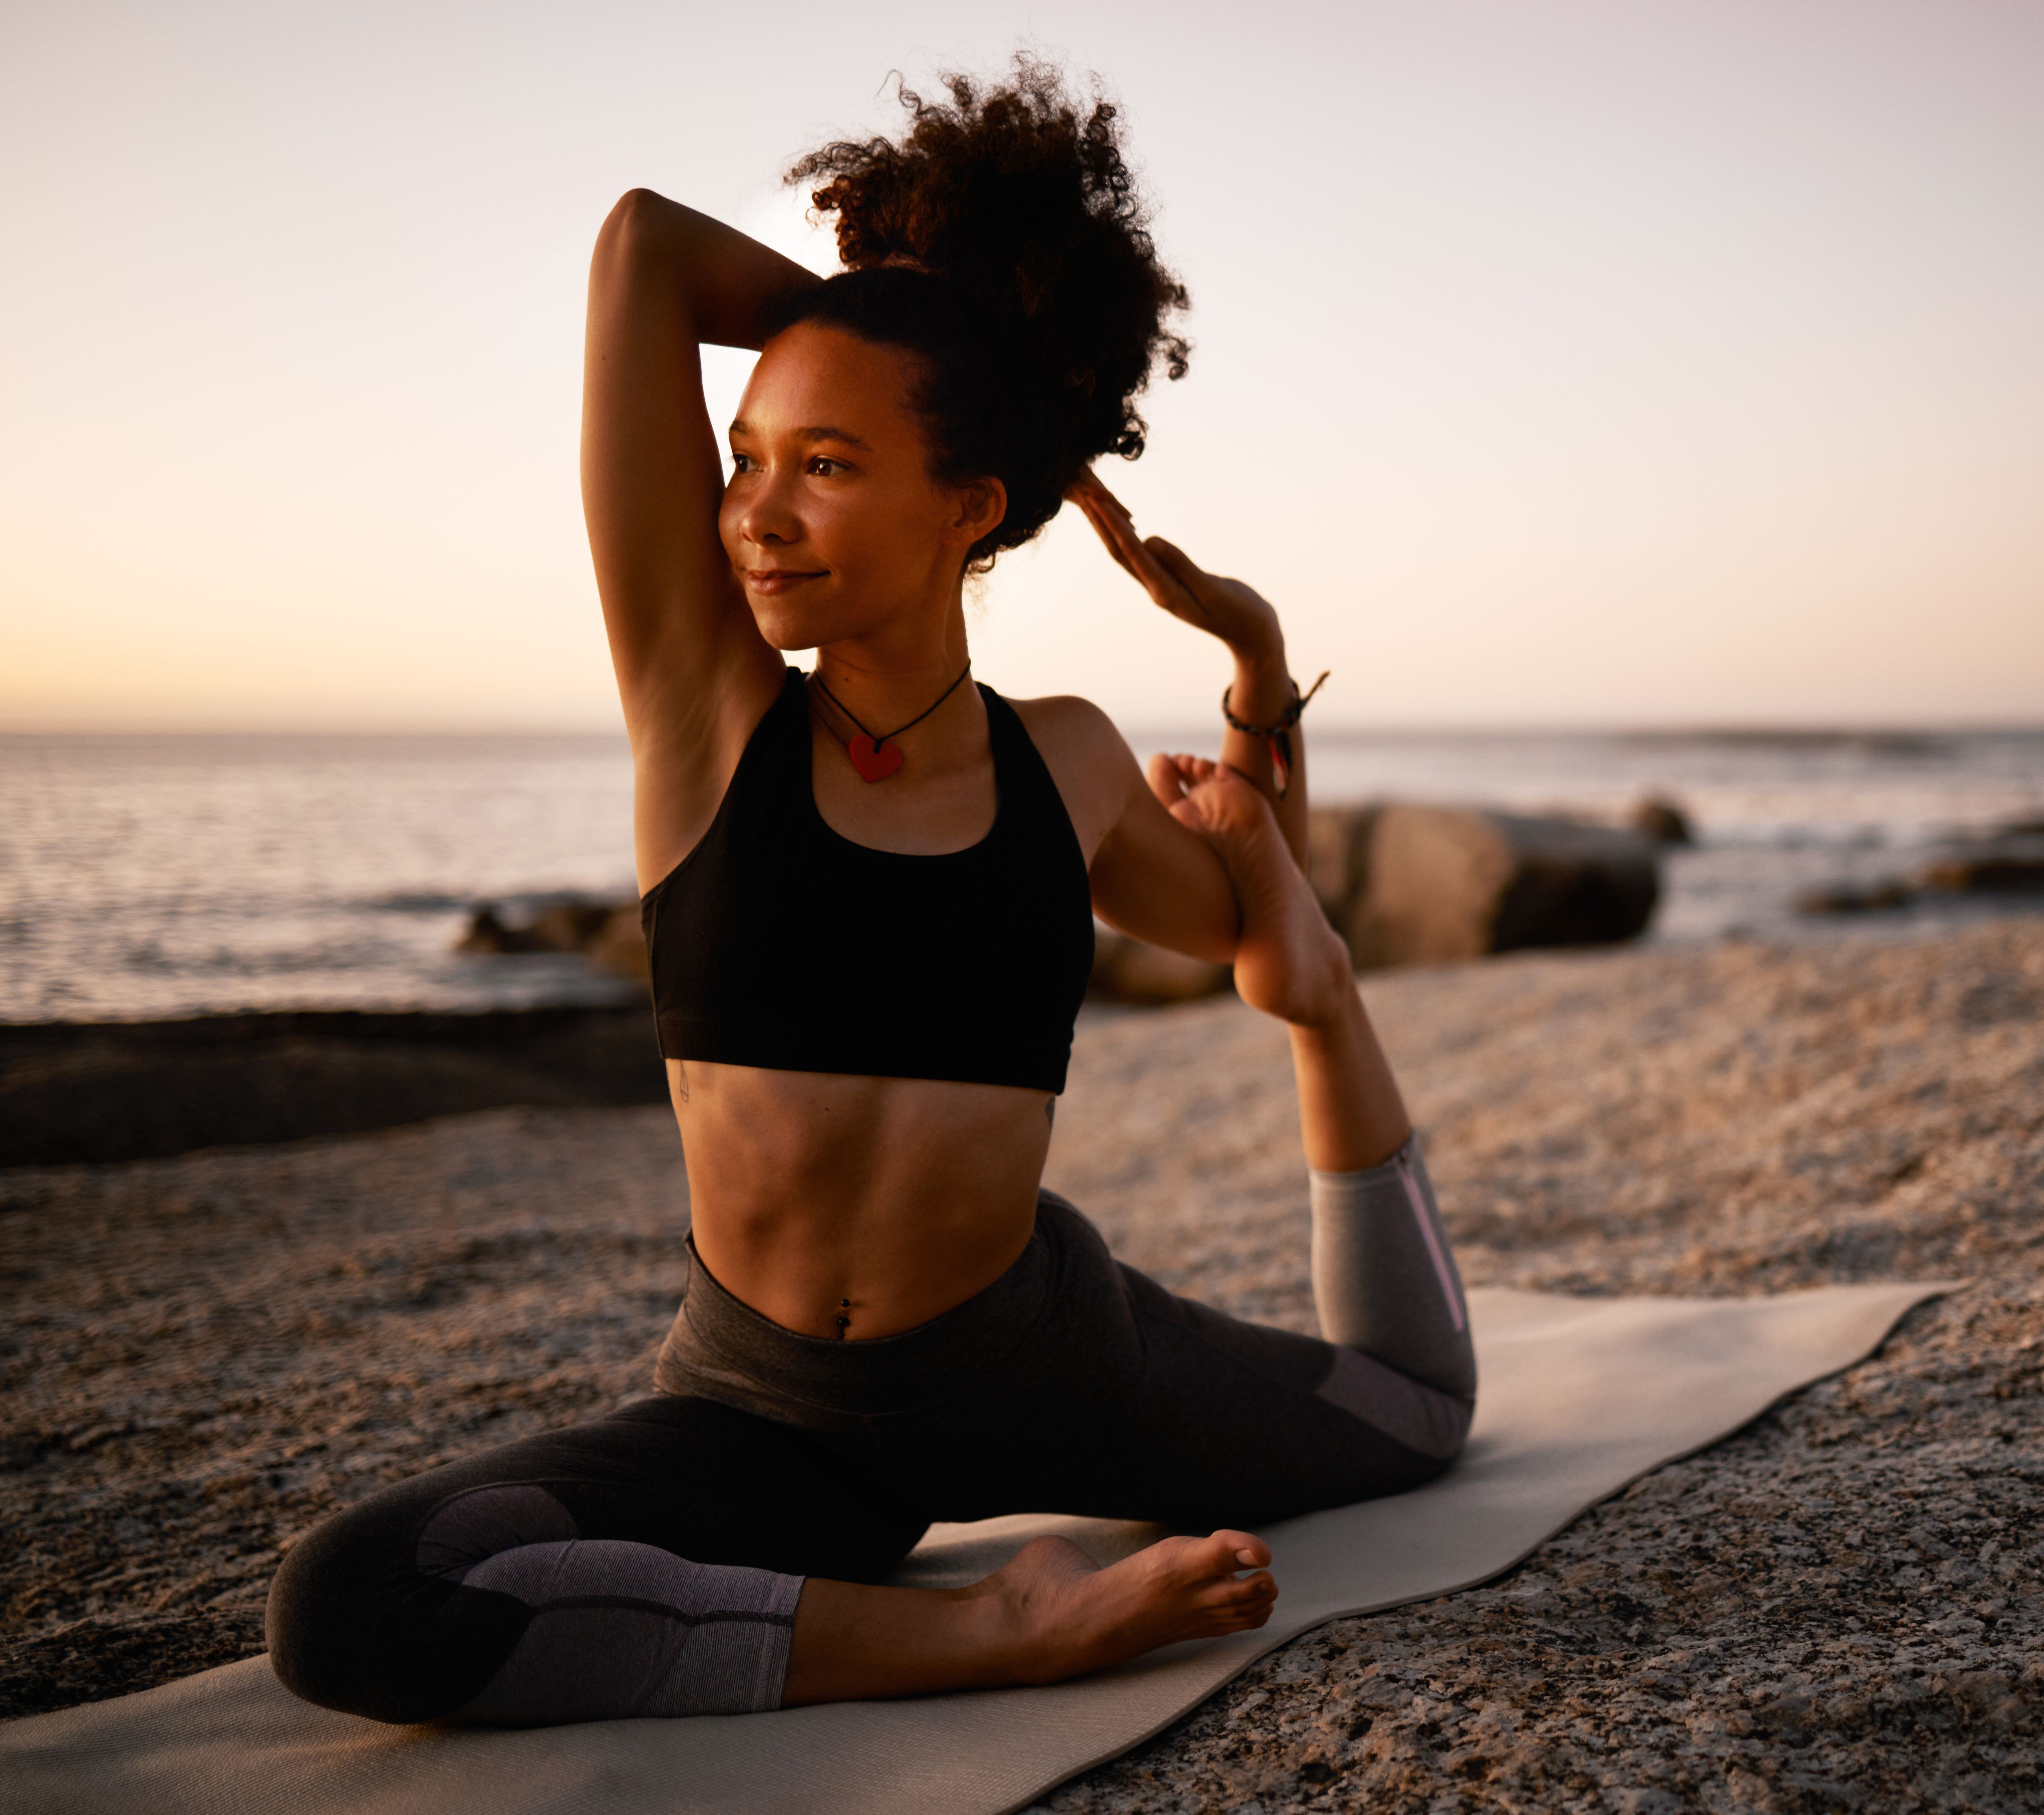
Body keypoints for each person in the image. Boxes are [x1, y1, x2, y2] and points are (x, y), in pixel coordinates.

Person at [263, 61, 1475, 1727]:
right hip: (766, 1417)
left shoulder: (1066, 761)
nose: (756, 517)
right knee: (355, 1601)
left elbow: (1267, 928)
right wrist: (906, 330)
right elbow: (642, 251)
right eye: (746, 458)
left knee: (1419, 1418)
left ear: (969, 504)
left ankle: (957, 1619)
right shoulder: (705, 710)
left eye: (825, 463)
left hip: (1045, 1365)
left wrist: (1256, 666)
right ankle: (992, 1632)